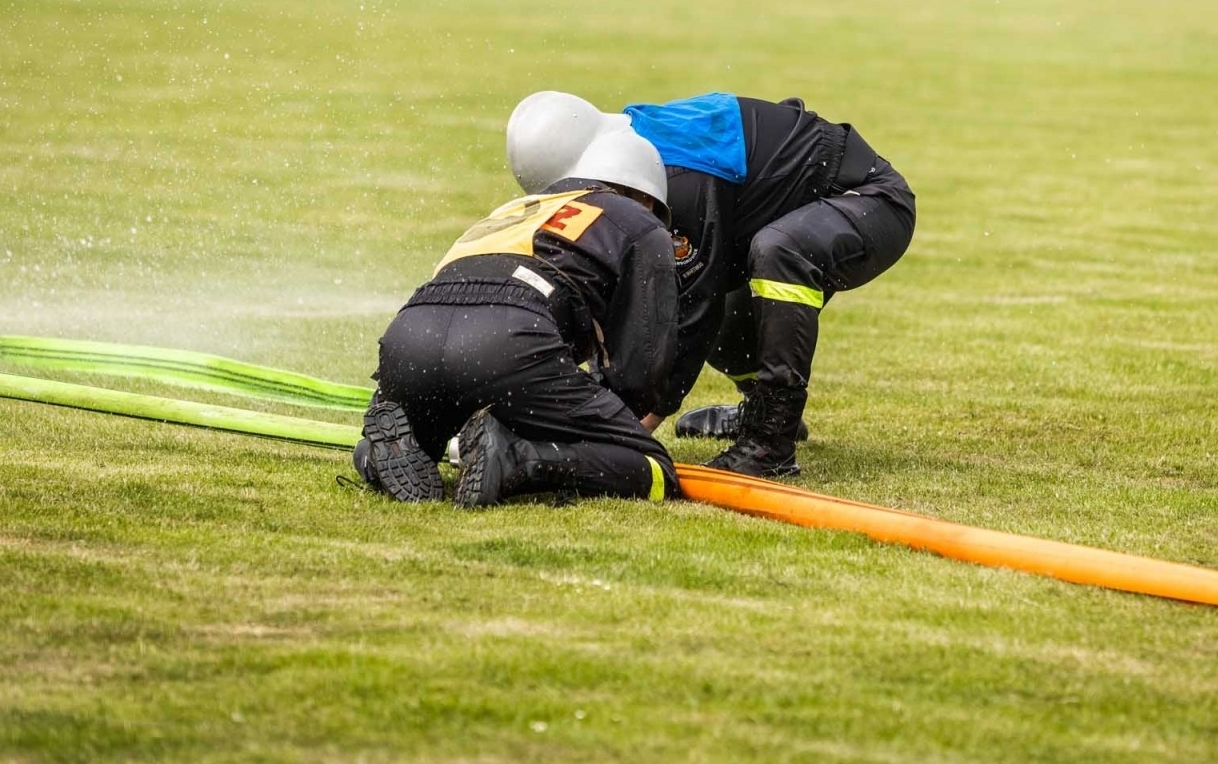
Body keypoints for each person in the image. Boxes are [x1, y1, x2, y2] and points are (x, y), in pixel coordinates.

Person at [506, 93, 916, 479]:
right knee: (723, 283)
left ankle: (771, 441)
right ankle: (760, 408)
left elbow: (691, 312)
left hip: (870, 200)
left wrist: (630, 427)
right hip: (776, 217)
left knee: (776, 254)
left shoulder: (678, 178)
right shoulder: (627, 156)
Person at [354, 96, 679, 508]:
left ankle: (371, 454)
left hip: (411, 333)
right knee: (653, 471)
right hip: (508, 338)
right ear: (645, 194)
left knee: (423, 425)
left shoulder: (514, 210)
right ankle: (516, 458)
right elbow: (640, 371)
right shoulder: (639, 222)